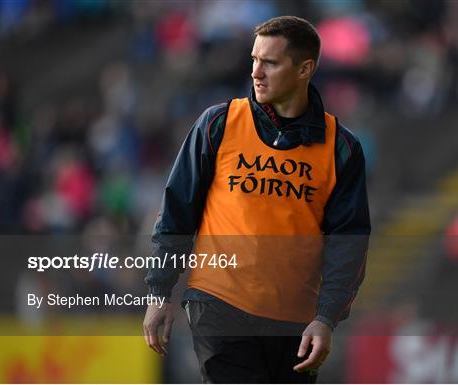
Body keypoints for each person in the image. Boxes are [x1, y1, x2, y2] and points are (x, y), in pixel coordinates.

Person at [143, 15, 370, 383]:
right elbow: (176, 214)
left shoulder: (340, 148)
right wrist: (160, 292)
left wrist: (326, 317)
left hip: (294, 321)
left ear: (304, 69)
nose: (256, 72)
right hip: (218, 304)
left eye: (270, 62)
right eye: (254, 59)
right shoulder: (217, 124)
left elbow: (349, 244)